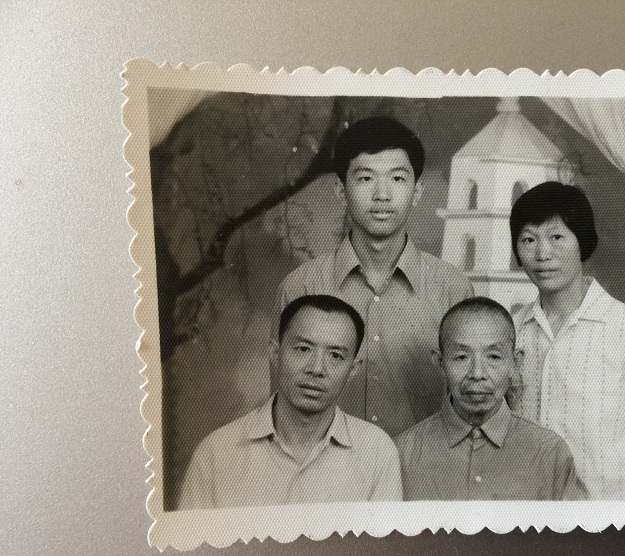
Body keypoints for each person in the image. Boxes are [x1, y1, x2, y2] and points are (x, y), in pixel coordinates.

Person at [273, 116, 473, 437]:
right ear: (341, 191)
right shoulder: (300, 287)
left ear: (417, 191)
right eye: (366, 178)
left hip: (419, 468)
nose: (382, 194)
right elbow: (281, 409)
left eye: (397, 178)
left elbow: (468, 407)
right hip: (325, 468)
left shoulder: (453, 290)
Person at [509, 181, 625, 500]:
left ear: (583, 241)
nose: (542, 254)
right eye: (529, 239)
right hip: (537, 508)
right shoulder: (512, 329)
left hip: (618, 511)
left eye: (556, 237)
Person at [179, 294, 402, 509]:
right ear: (275, 353)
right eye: (303, 349)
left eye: (335, 355)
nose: (316, 369)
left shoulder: (377, 452)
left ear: (353, 369)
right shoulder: (215, 453)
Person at [395, 297, 582, 501]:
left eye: (493, 357)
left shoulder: (550, 453)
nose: (477, 374)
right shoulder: (402, 453)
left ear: (515, 362)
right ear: (440, 362)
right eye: (461, 357)